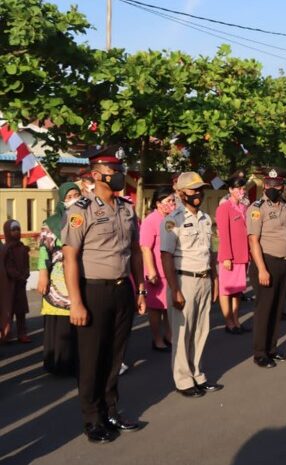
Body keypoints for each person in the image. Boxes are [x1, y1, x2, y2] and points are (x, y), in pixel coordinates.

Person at [61, 146, 147, 443]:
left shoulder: (126, 208)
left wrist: (141, 289)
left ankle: (111, 410)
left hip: (124, 290)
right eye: (115, 171)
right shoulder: (80, 211)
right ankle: (92, 418)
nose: (121, 175)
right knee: (91, 359)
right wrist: (76, 302)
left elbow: (134, 252)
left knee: (114, 357)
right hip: (94, 291)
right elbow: (70, 257)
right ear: (97, 175)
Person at [160, 172, 223, 398]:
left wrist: (215, 279)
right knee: (183, 332)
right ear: (180, 193)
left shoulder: (206, 218)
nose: (198, 193)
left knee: (201, 331)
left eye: (200, 189)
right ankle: (183, 379)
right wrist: (174, 289)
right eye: (193, 190)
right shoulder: (172, 220)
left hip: (204, 279)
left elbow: (210, 252)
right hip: (184, 279)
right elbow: (166, 256)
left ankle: (197, 373)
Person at [246, 169, 286, 368]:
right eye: (269, 184)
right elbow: (253, 240)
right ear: (264, 185)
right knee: (264, 310)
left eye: (277, 184)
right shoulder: (257, 208)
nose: (273, 188)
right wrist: (262, 269)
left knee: (278, 308)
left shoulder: (285, 205)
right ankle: (260, 353)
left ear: (282, 185)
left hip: (283, 262)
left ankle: (273, 349)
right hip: (266, 262)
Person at [37, 182, 82, 374]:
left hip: (79, 273)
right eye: (69, 195)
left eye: (76, 194)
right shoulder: (52, 222)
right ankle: (57, 363)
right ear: (62, 199)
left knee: (77, 319)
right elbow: (43, 251)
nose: (73, 199)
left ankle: (76, 362)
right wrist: (42, 274)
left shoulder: (82, 218)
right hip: (56, 278)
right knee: (58, 323)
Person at [140, 186, 177, 352]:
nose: (172, 204)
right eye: (168, 201)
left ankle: (169, 335)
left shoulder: (173, 219)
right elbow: (146, 248)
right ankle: (157, 339)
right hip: (157, 273)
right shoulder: (151, 220)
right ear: (158, 203)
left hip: (172, 271)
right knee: (156, 310)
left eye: (173, 200)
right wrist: (151, 271)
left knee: (170, 308)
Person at [215, 176, 250, 334]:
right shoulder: (224, 208)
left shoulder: (244, 208)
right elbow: (223, 234)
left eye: (243, 188)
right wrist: (227, 257)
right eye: (238, 188)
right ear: (230, 190)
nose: (241, 191)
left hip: (242, 256)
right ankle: (228, 322)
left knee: (238, 291)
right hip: (229, 257)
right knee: (226, 290)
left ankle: (236, 320)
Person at [3, 219, 31, 343]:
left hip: (20, 284)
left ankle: (22, 334)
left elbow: (27, 264)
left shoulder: (23, 248)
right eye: (13, 230)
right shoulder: (5, 249)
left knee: (21, 310)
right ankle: (6, 334)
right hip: (8, 285)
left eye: (18, 229)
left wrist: (25, 274)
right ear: (7, 232)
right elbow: (7, 267)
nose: (16, 232)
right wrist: (17, 276)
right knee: (7, 310)